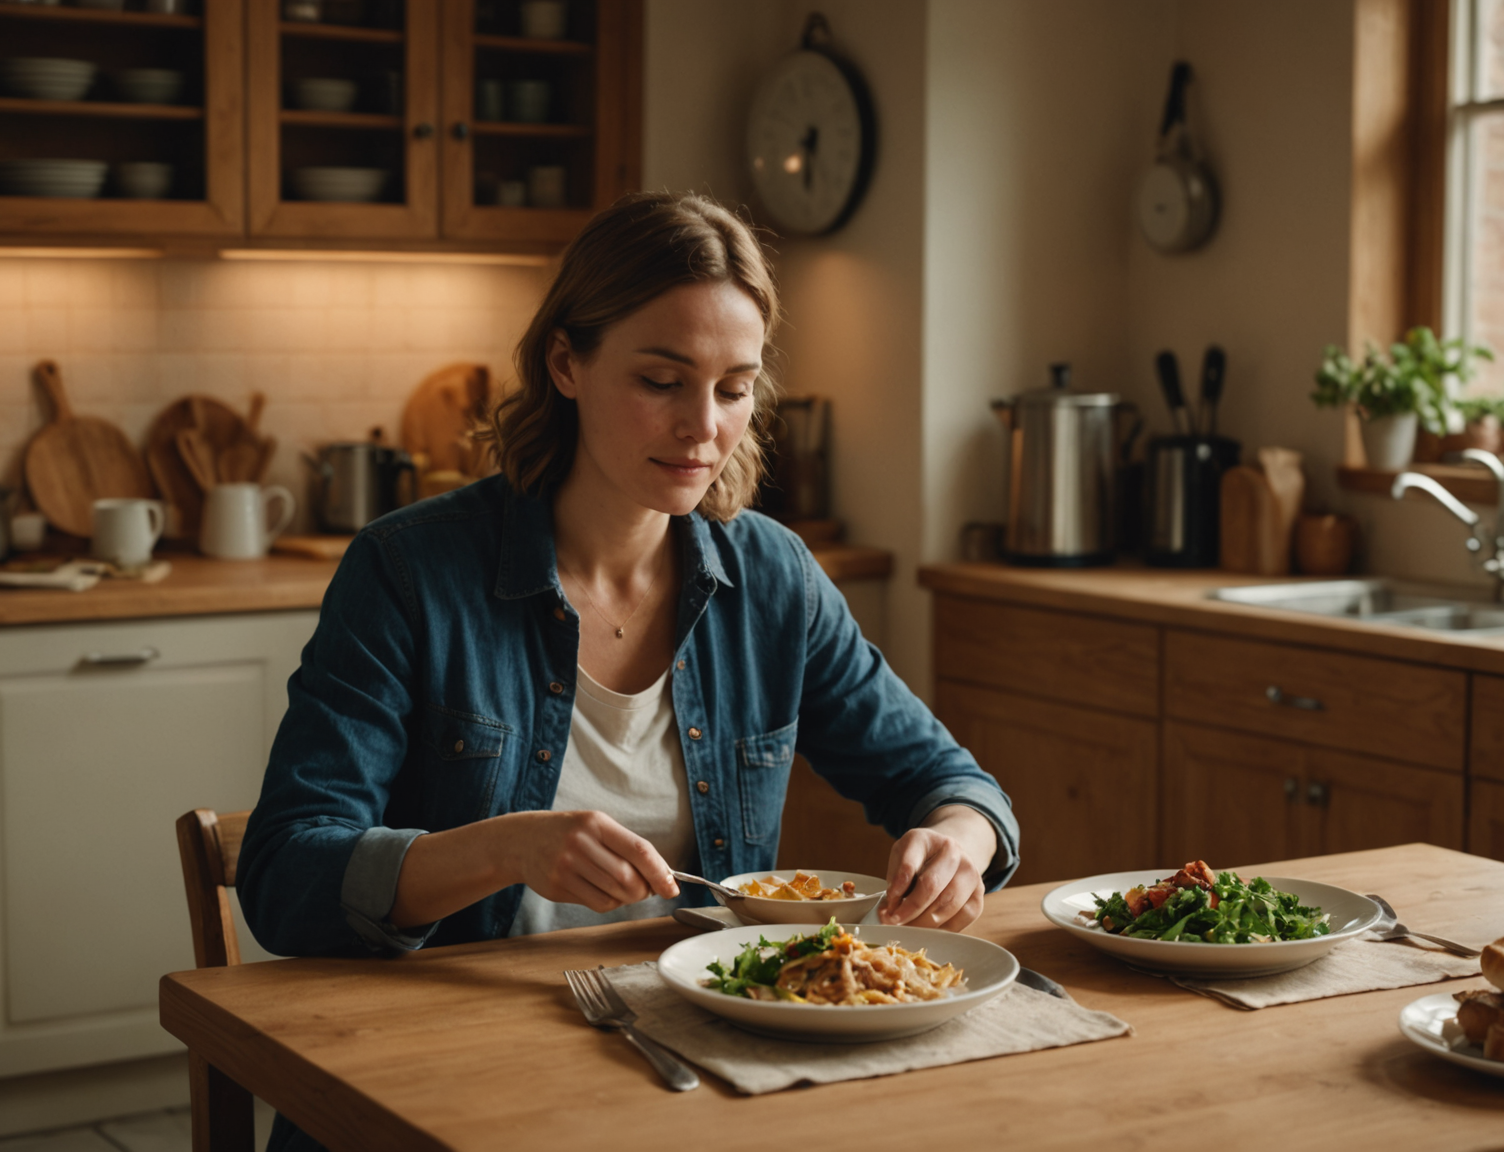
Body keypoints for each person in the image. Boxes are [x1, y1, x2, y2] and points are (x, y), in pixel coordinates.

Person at [237, 191, 1018, 1149]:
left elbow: (947, 781)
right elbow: (284, 875)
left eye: (734, 389)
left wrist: (960, 839)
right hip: (439, 1066)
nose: (703, 426)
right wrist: (504, 849)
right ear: (566, 363)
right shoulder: (408, 571)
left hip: (691, 1066)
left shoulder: (771, 576)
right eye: (661, 380)